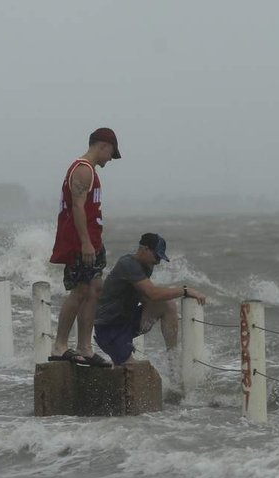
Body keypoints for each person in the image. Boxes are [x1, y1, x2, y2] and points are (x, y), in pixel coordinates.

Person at [47, 127, 122, 367]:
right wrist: (86, 243)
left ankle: (85, 347)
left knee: (95, 289)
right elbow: (78, 208)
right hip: (82, 243)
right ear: (104, 146)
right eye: (111, 154)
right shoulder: (83, 170)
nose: (110, 160)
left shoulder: (90, 171)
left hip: (93, 240)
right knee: (80, 291)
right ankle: (59, 347)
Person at [94, 233, 207, 367]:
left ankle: (173, 361)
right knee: (133, 369)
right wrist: (185, 290)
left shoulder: (146, 266)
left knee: (167, 306)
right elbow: (153, 294)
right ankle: (121, 354)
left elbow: (147, 298)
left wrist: (156, 317)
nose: (158, 262)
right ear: (145, 249)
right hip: (109, 329)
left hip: (126, 322)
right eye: (157, 256)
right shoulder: (128, 264)